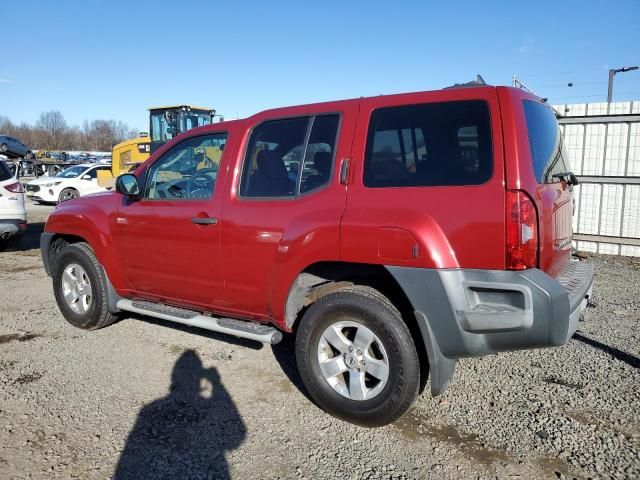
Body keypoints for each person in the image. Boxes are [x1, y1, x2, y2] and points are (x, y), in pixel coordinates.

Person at [114, 350, 246, 479]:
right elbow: (236, 438)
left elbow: (236, 438)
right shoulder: (151, 408)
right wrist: (216, 383)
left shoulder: (149, 408)